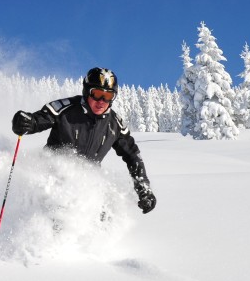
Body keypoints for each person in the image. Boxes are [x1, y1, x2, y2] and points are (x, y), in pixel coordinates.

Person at [11, 67, 157, 214]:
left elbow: (132, 156)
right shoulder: (66, 109)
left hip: (86, 187)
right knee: (58, 216)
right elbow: (39, 120)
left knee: (106, 211)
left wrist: (144, 189)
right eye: (98, 94)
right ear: (87, 91)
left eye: (108, 96)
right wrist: (27, 122)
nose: (102, 101)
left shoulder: (114, 124)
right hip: (50, 181)